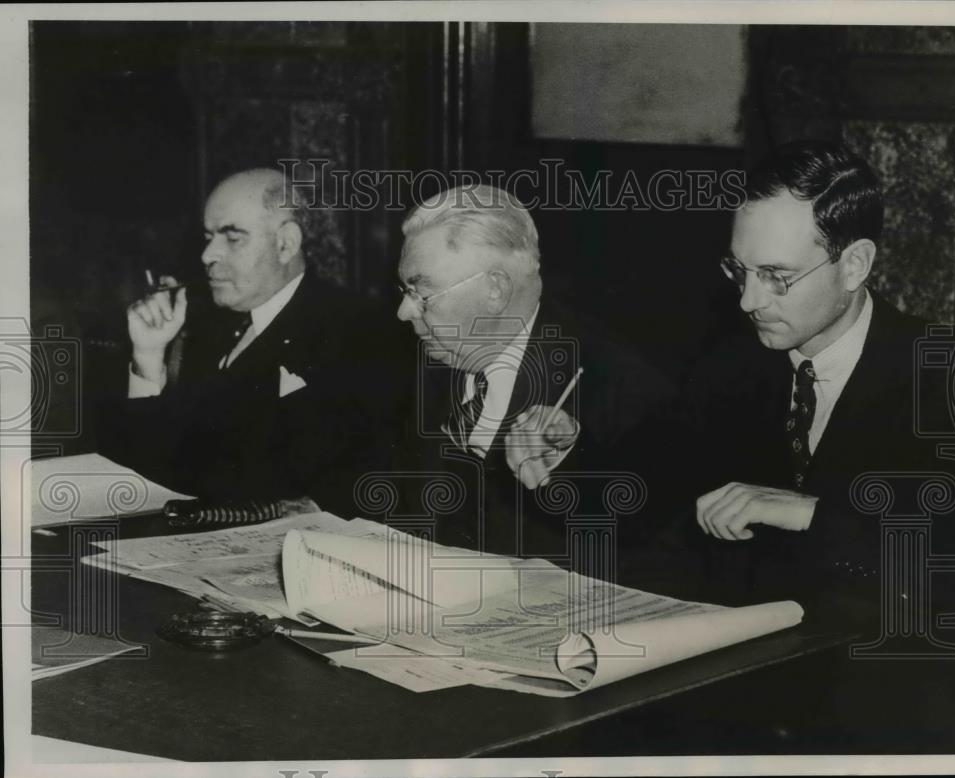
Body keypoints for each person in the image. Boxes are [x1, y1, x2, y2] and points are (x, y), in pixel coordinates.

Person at [661, 140, 955, 626]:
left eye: (775, 275)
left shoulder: (952, 377)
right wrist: (568, 452)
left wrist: (811, 514)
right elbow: (663, 500)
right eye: (739, 271)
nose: (748, 301)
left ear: (854, 265)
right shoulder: (728, 366)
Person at [316, 185, 672, 564]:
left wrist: (565, 464)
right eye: (404, 290)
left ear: (495, 290)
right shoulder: (439, 357)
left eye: (422, 293)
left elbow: (645, 541)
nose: (403, 312)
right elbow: (402, 495)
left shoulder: (618, 382)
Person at [101, 168, 400, 501]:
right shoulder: (201, 324)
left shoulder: (357, 332)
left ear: (285, 243)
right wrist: (148, 358)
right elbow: (141, 472)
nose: (207, 255)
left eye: (233, 238)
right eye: (208, 237)